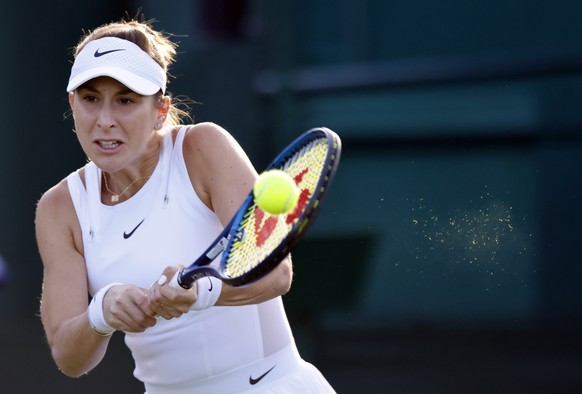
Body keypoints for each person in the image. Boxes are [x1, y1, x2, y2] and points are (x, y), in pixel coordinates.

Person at [35, 18, 336, 394]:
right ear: (72, 104)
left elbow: (277, 275)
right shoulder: (59, 208)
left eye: (126, 100)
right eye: (91, 99)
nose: (105, 121)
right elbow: (69, 356)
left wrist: (203, 292)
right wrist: (102, 313)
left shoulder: (203, 148)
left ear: (161, 110)